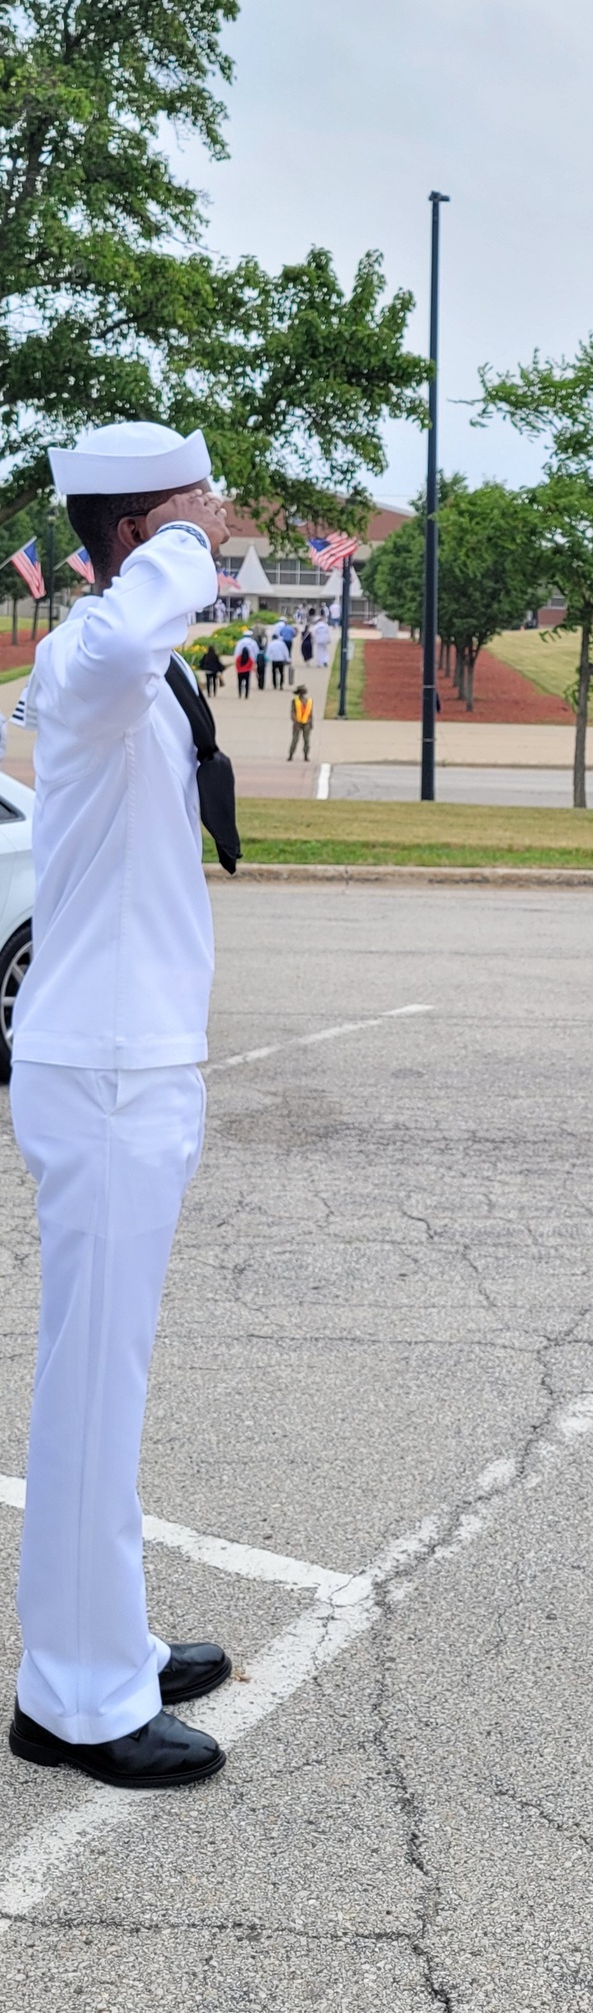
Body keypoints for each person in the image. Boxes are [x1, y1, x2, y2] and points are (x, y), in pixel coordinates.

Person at [7, 418, 240, 1789]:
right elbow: (121, 632)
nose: (219, 517)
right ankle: (75, 1701)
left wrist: (175, 542)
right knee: (93, 1389)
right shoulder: (85, 659)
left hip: (132, 1057)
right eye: (194, 505)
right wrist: (183, 542)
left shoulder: (129, 669)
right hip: (103, 1068)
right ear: (144, 531)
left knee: (115, 1380)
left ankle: (110, 1637)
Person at [288, 684, 314, 762]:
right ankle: (291, 754)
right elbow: (292, 711)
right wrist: (294, 719)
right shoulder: (295, 701)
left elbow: (310, 713)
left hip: (307, 723)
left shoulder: (309, 701)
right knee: (295, 739)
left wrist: (311, 723)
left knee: (306, 740)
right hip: (297, 723)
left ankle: (306, 755)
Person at [234, 635, 255, 699]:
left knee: (240, 683)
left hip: (240, 672)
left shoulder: (239, 658)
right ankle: (246, 695)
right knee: (247, 684)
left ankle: (240, 694)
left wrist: (238, 669)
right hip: (247, 672)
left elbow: (236, 663)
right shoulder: (249, 658)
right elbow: (252, 664)